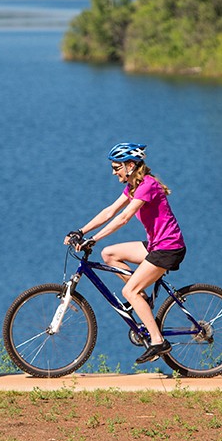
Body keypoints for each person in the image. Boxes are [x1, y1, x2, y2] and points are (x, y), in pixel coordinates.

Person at [65, 142, 186, 364]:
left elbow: (123, 218)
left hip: (168, 248)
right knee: (109, 254)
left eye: (116, 167)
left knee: (128, 291)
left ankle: (158, 341)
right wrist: (81, 231)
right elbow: (110, 211)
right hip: (155, 245)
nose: (113, 172)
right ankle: (143, 298)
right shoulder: (132, 187)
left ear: (130, 165)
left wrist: (93, 239)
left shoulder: (147, 186)